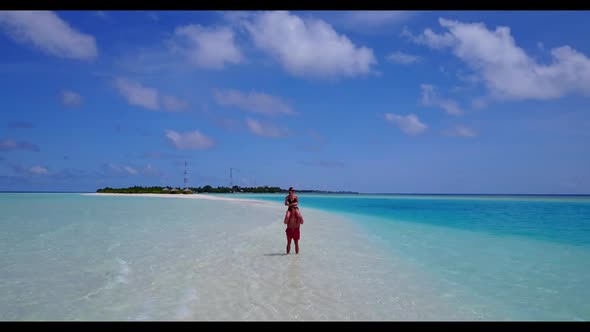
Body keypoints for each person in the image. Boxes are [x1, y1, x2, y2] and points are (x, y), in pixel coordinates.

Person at [284, 187, 303, 254]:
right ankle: (286, 255)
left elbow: (297, 202)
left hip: (295, 208)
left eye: (293, 190)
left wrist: (293, 204)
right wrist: (290, 205)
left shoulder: (296, 196)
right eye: (292, 190)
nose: (293, 191)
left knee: (299, 215)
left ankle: (297, 256)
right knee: (287, 216)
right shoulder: (287, 197)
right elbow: (285, 203)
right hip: (289, 208)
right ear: (289, 191)